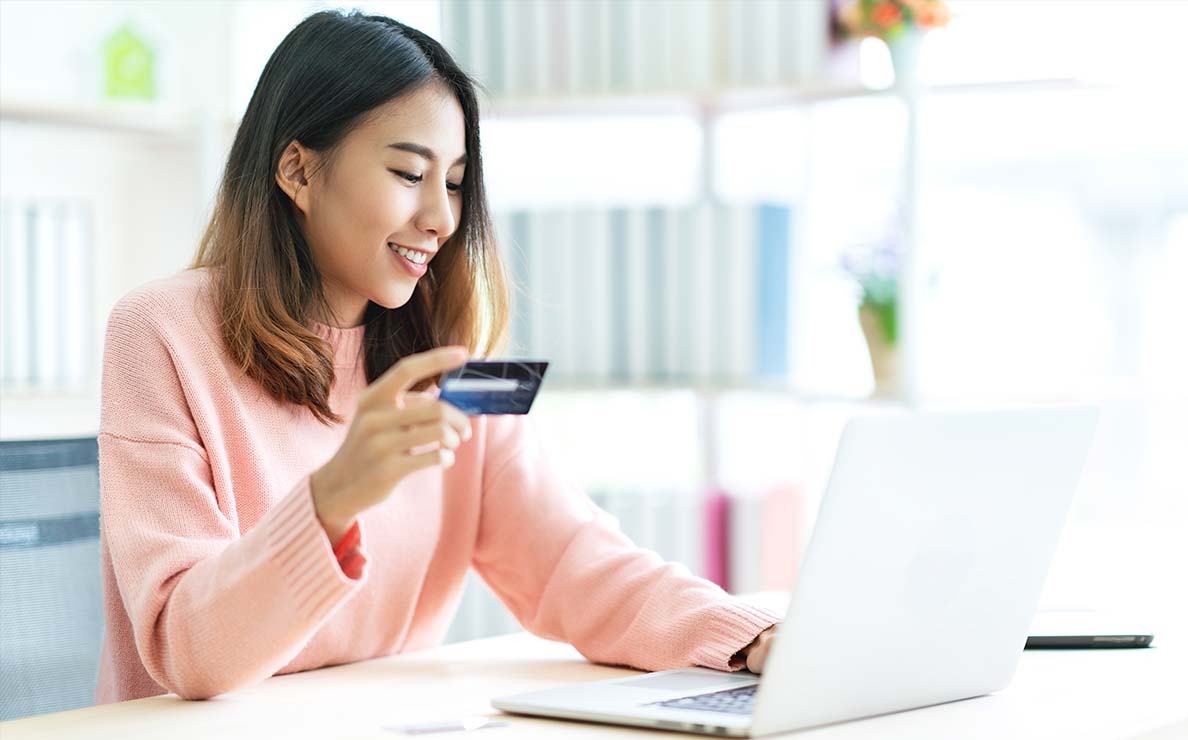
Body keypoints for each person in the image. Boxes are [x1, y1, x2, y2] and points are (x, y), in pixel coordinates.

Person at [96, 10, 778, 704]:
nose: (442, 219)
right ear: (297, 170)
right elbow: (188, 650)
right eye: (407, 172)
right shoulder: (158, 331)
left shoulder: (460, 364)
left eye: (453, 183)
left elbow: (577, 561)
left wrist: (746, 634)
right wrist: (331, 500)